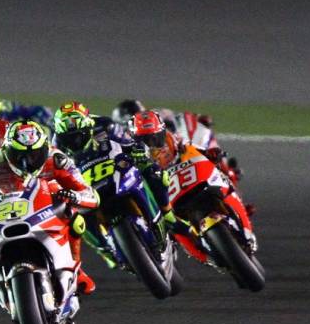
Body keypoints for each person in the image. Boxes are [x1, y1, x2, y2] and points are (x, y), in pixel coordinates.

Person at [0, 120, 100, 295]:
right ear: (7, 151)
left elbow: (89, 193)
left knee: (76, 219)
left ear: (44, 147)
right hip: (5, 208)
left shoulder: (57, 159)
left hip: (44, 204)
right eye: (20, 156)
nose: (28, 162)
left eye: (35, 155)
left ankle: (76, 269)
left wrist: (75, 197)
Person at [129, 109, 259, 264]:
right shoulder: (135, 156)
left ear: (162, 131)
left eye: (155, 136)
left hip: (191, 176)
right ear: (136, 140)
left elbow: (189, 146)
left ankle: (242, 218)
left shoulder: (173, 138)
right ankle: (202, 255)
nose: (153, 142)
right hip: (170, 195)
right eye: (145, 139)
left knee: (223, 180)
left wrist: (208, 153)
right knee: (170, 226)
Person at [51, 102, 162, 270]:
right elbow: (53, 172)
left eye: (79, 135)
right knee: (73, 216)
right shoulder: (56, 145)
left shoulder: (105, 124)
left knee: (151, 172)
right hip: (86, 183)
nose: (75, 141)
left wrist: (137, 150)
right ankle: (103, 248)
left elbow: (129, 141)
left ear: (88, 125)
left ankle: (164, 214)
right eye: (68, 138)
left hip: (113, 168)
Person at [111, 99, 241, 184]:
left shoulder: (159, 116)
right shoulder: (125, 143)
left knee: (206, 145)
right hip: (161, 174)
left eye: (141, 115)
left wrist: (198, 119)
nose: (143, 120)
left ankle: (227, 173)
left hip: (179, 147)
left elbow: (179, 117)